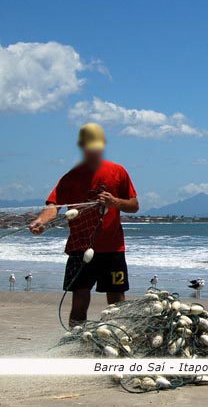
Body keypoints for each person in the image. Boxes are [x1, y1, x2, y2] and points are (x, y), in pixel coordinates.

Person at [29, 123, 139, 327]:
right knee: (79, 296)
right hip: (80, 247)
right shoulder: (71, 177)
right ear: (81, 146)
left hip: (112, 247)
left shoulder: (118, 171)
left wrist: (115, 202)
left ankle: (116, 336)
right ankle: (75, 339)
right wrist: (40, 221)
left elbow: (134, 206)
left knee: (116, 299)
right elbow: (54, 206)